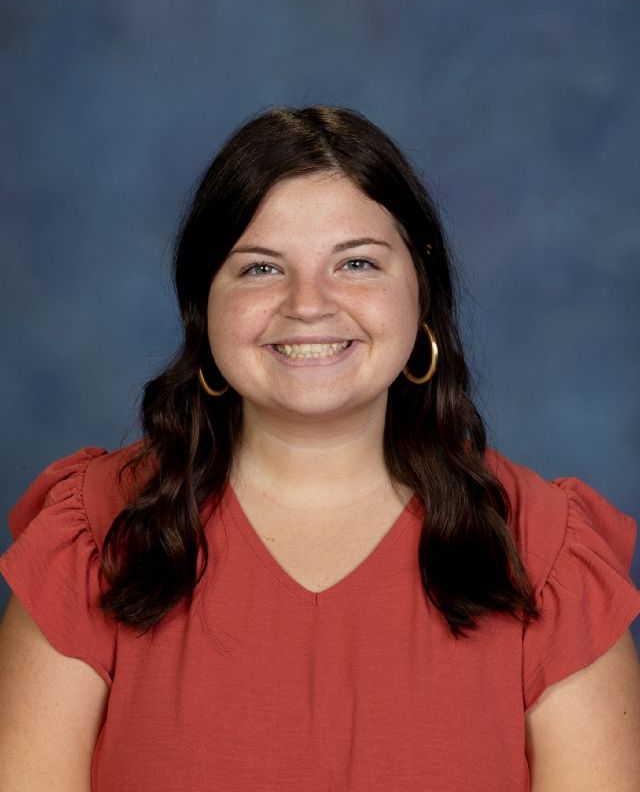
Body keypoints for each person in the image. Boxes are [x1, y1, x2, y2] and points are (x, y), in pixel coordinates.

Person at [0, 105, 639, 792]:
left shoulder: (546, 556)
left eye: (357, 263)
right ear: (203, 305)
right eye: (260, 269)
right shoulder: (94, 539)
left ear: (421, 293)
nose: (308, 304)